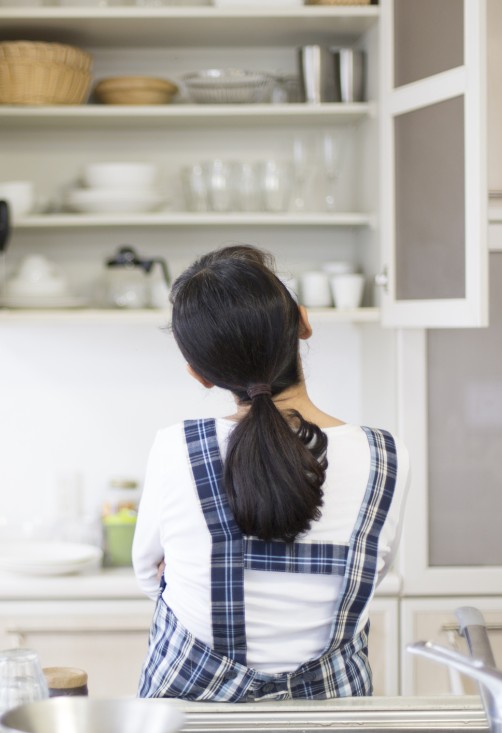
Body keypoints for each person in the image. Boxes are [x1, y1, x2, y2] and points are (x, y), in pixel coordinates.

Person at [132, 244, 409, 702]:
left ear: (199, 374)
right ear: (303, 321)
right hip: (333, 715)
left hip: (192, 713)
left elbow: (151, 576)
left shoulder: (175, 448)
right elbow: (371, 571)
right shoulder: (385, 455)